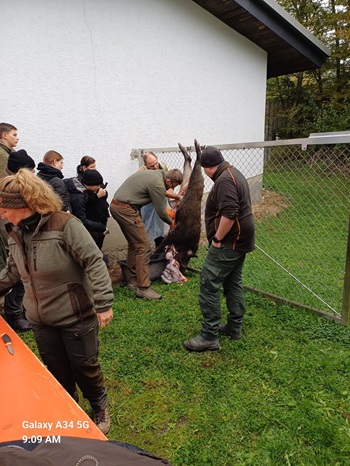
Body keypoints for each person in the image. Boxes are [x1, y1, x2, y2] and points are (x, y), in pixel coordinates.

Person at [0, 169, 113, 434]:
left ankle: (99, 405)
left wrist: (104, 303)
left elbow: (94, 261)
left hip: (76, 315)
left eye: (4, 208)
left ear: (23, 205)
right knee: (56, 369)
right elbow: (12, 272)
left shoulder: (65, 225)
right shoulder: (13, 232)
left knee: (84, 366)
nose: (2, 213)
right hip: (40, 319)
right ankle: (68, 408)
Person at [184, 146, 255, 352]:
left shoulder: (224, 180)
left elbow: (230, 212)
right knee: (233, 281)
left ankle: (209, 336)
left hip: (230, 241)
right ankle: (234, 327)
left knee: (208, 281)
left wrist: (217, 238)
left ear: (208, 168)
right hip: (241, 239)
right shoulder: (234, 172)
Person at [110, 168, 183, 300]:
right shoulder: (158, 184)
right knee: (144, 247)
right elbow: (161, 212)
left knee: (135, 244)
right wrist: (173, 224)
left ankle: (132, 280)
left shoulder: (158, 174)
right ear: (168, 180)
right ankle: (143, 288)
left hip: (117, 206)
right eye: (173, 186)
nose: (172, 189)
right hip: (125, 210)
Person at [0, 150, 36, 332]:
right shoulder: (8, 188)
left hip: (14, 236)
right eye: (32, 170)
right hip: (11, 238)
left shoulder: (14, 184)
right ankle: (14, 315)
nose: (34, 175)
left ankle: (19, 310)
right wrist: (15, 243)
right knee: (19, 274)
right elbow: (5, 221)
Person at [138, 151, 181, 244]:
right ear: (145, 165)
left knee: (161, 225)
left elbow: (169, 185)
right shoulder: (141, 172)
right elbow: (159, 191)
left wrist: (173, 195)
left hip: (161, 200)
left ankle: (160, 244)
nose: (155, 167)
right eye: (152, 166)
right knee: (149, 225)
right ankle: (148, 247)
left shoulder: (163, 166)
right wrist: (178, 197)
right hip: (148, 203)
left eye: (156, 163)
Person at [65, 169, 109, 248]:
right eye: (97, 185)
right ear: (90, 185)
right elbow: (81, 220)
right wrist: (101, 227)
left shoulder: (80, 188)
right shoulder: (78, 197)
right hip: (87, 226)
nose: (99, 187)